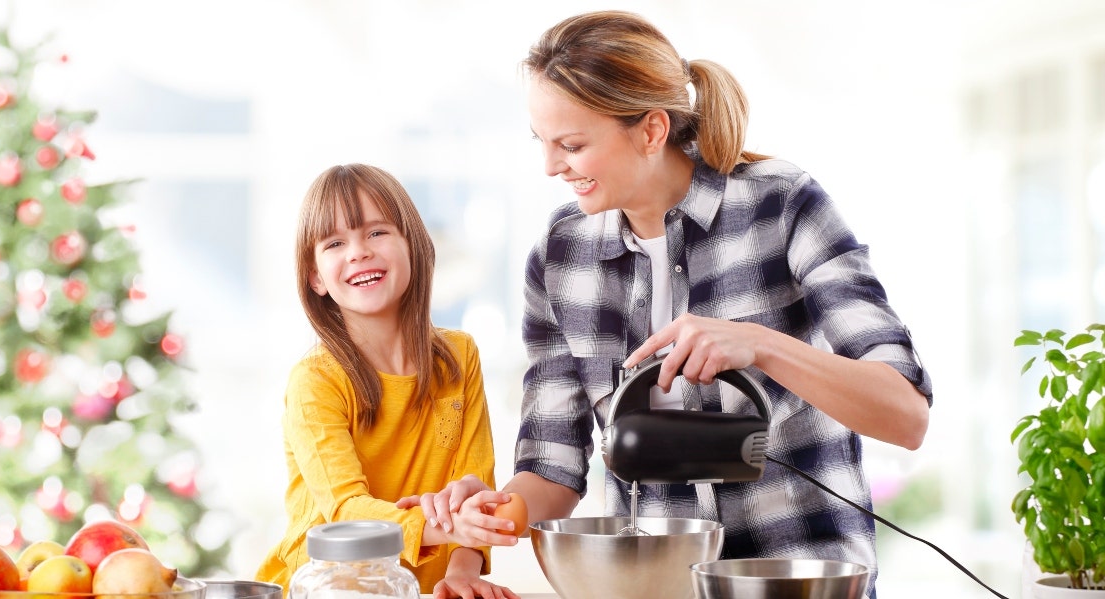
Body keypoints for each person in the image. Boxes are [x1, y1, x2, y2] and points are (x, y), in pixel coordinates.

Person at [410, 10, 933, 598]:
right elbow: (552, 465)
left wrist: (760, 343)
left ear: (652, 130)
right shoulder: (560, 257)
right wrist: (494, 512)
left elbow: (905, 414)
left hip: (796, 581)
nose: (551, 166)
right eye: (544, 142)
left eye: (573, 144)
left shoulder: (782, 206)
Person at [254, 163, 520, 599]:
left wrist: (463, 567)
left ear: (412, 245)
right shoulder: (315, 381)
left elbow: (474, 483)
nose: (358, 252)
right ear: (315, 277)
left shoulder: (460, 358)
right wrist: (446, 525)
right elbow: (345, 512)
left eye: (377, 233)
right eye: (335, 242)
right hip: (323, 588)